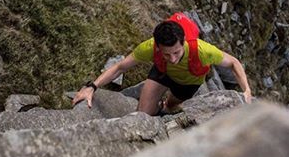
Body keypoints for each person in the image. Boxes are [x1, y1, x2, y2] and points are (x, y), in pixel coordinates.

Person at [72, 14, 252, 115]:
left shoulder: (203, 51)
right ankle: (154, 105)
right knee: (142, 115)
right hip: (162, 73)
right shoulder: (150, 47)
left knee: (171, 106)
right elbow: (120, 67)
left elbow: (233, 63)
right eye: (167, 54)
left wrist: (246, 90)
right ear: (157, 47)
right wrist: (92, 87)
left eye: (176, 52)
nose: (173, 58)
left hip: (189, 82)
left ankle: (165, 105)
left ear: (184, 43)